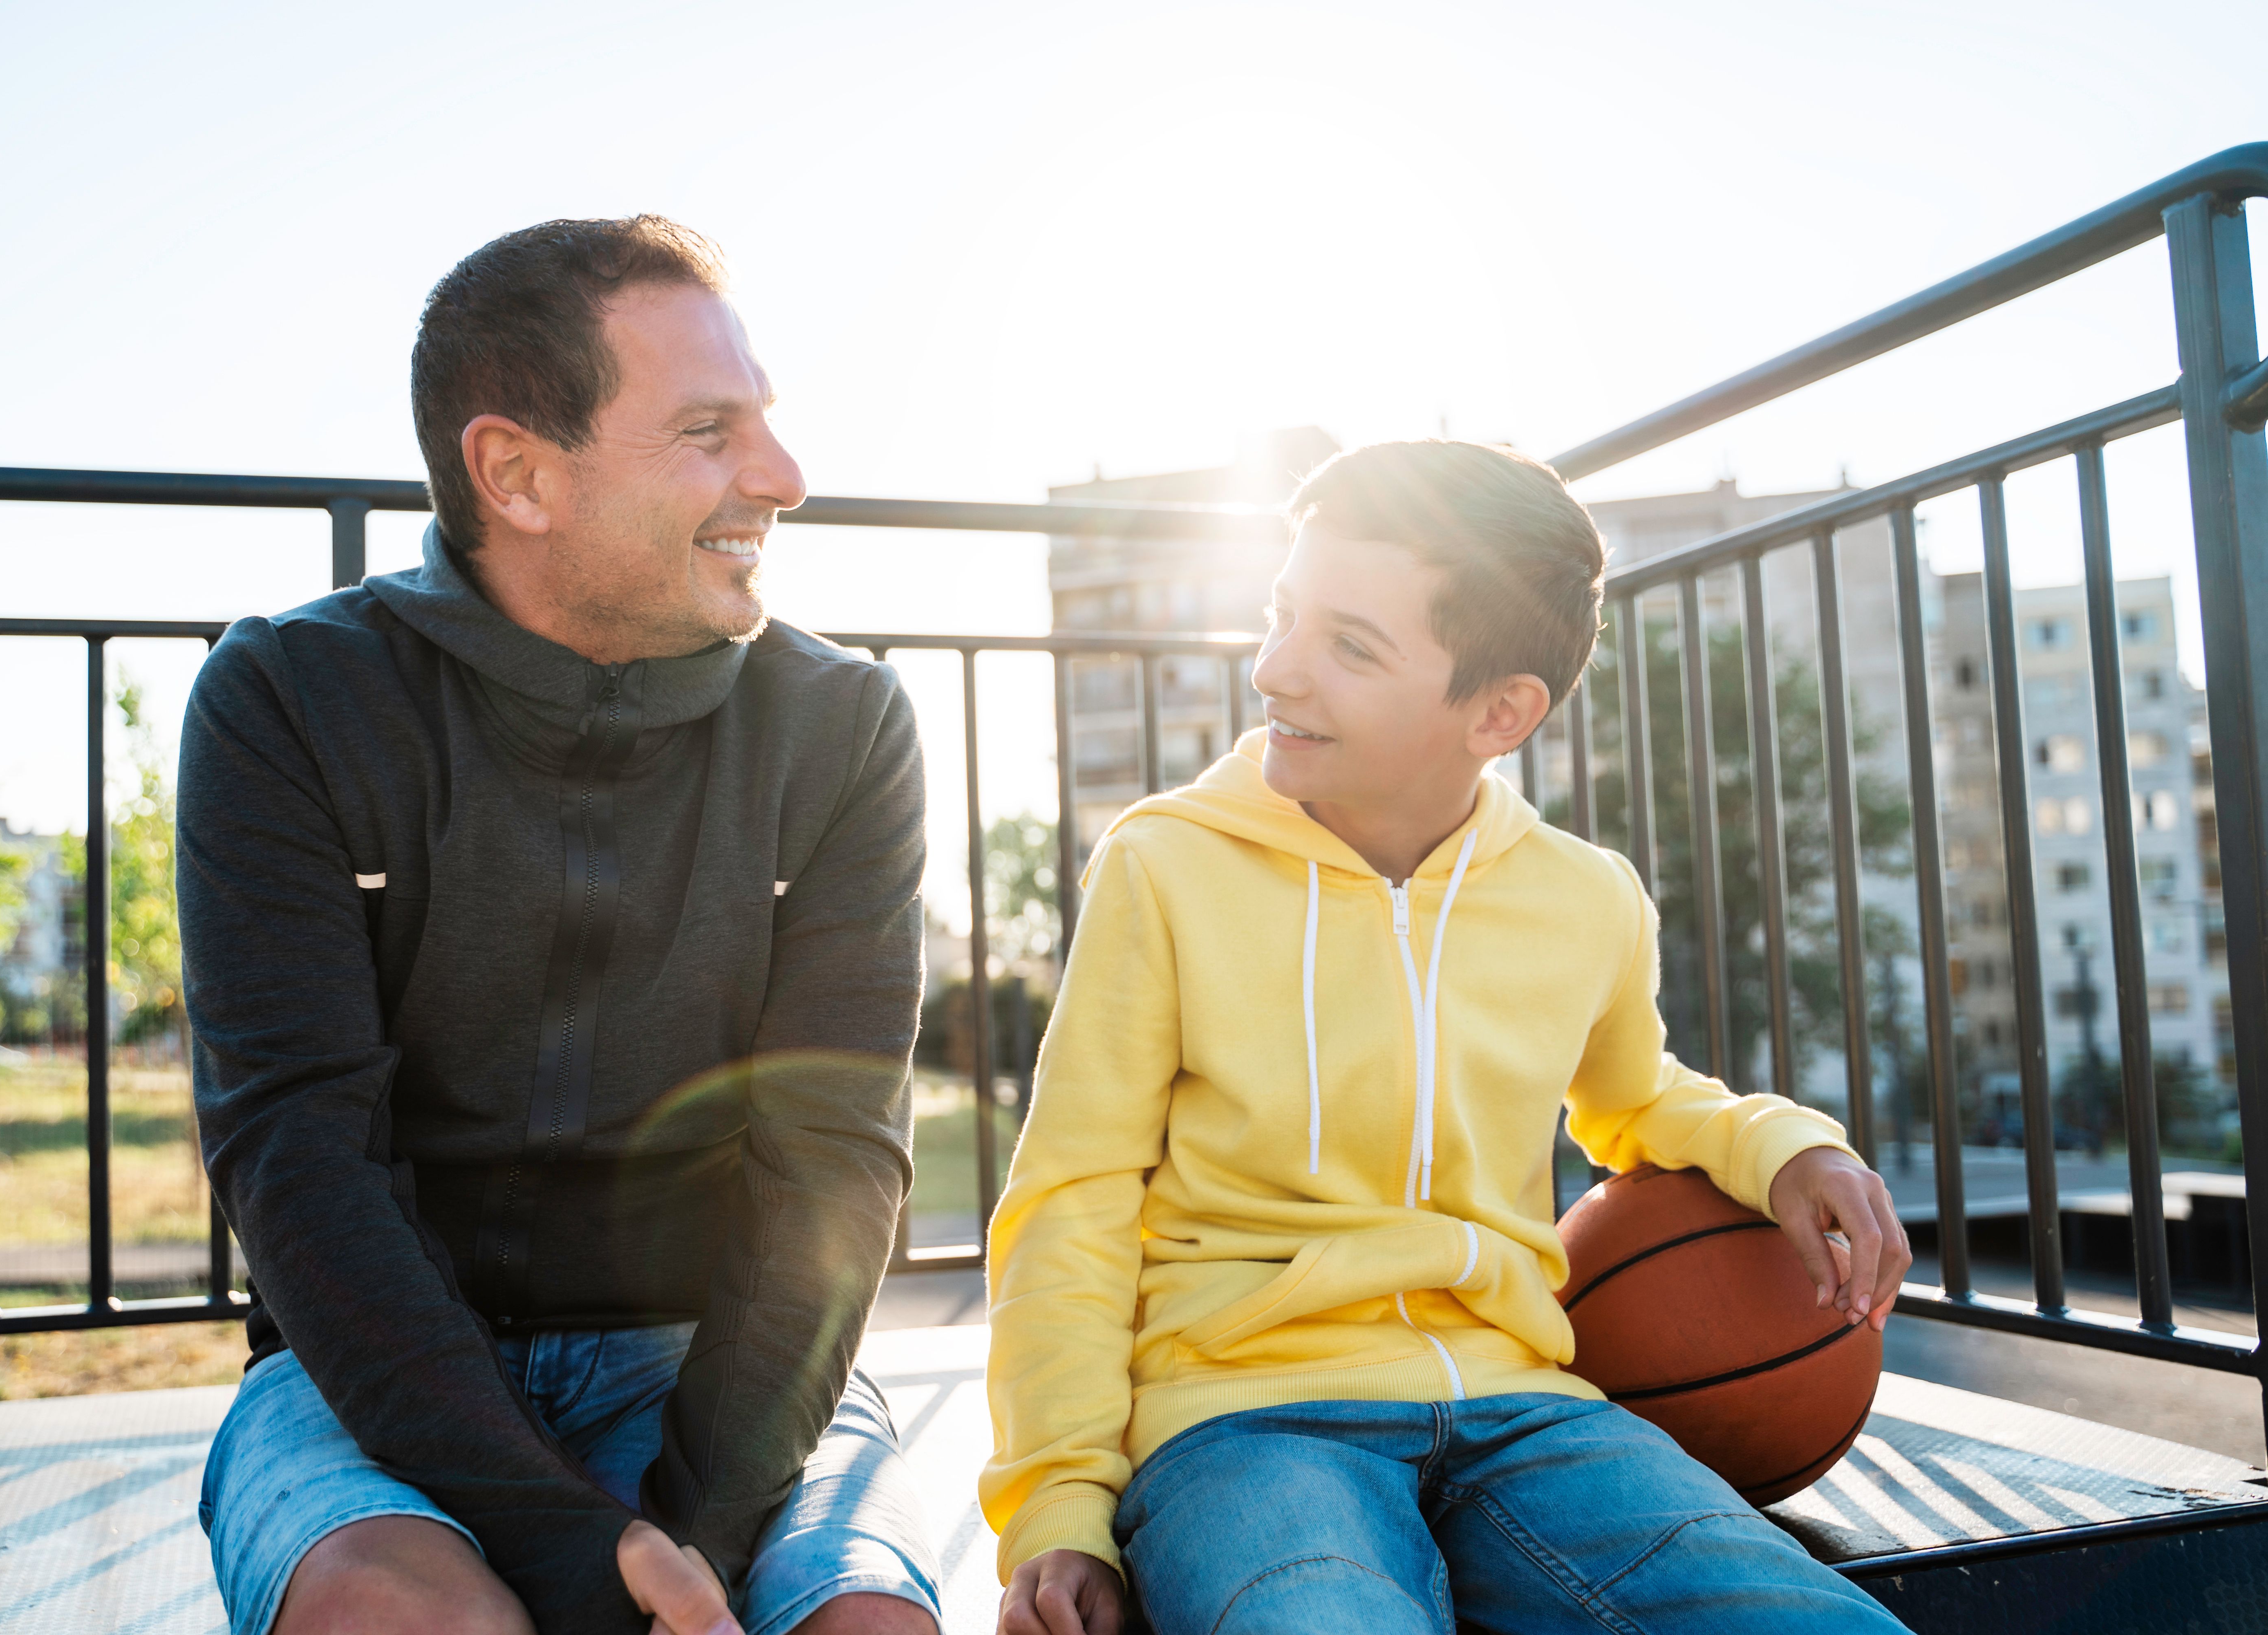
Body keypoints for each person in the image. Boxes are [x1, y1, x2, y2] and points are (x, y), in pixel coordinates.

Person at [980, 440, 1914, 1635]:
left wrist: (1790, 1149)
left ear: (1498, 712)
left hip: (1530, 1411)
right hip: (1241, 1422)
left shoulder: (1587, 898)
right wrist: (1059, 1503)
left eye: (1348, 646)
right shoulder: (1163, 867)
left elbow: (1635, 1101)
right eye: (1283, 615)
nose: (1275, 670)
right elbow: (1072, 1197)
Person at [181, 217, 940, 1635]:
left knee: (864, 1628)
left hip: (719, 1370)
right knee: (418, 1621)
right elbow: (297, 1156)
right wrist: (567, 1547)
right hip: (367, 1375)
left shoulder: (845, 729)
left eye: (764, 422)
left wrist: (690, 1539)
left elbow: (835, 1171)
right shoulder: (285, 700)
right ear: (517, 475)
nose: (781, 477)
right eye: (711, 431)